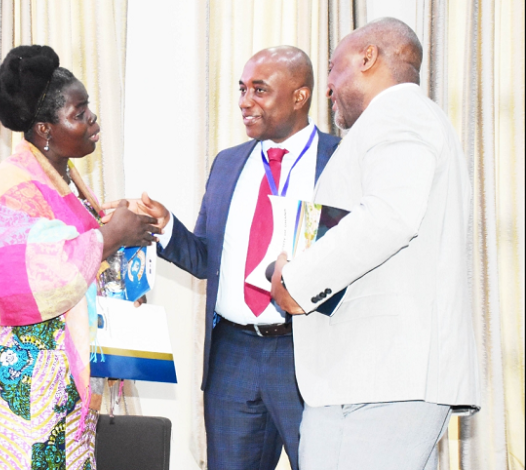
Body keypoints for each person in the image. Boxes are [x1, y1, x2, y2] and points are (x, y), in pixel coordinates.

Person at [106, 46, 340, 470]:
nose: (244, 102)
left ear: (300, 96)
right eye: (242, 89)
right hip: (232, 353)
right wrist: (167, 227)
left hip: (306, 351)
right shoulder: (229, 164)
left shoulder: (338, 161)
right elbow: (207, 259)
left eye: (260, 90)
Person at [270, 18, 480, 470]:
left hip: (377, 381)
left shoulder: (399, 114)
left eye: (332, 67)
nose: (326, 85)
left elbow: (389, 216)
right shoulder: (403, 121)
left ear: (367, 58)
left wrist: (296, 281)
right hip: (379, 379)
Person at [0, 45, 158, 470]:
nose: (92, 120)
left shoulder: (63, 177)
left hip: (60, 379)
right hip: (23, 384)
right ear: (44, 129)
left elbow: (70, 237)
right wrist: (110, 237)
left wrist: (120, 229)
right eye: (79, 111)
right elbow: (35, 275)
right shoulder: (9, 187)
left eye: (89, 108)